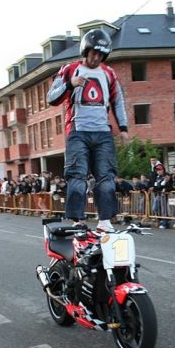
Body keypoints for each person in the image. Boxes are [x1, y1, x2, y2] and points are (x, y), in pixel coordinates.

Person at [47, 29, 128, 232]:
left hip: (103, 132)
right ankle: (77, 219)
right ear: (86, 50)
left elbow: (118, 101)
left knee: (106, 177)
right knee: (77, 175)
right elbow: (51, 97)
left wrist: (124, 128)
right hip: (78, 130)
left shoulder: (109, 73)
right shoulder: (70, 69)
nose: (96, 57)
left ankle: (106, 220)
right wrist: (69, 84)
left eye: (101, 55)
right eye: (93, 53)